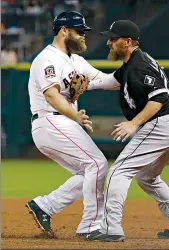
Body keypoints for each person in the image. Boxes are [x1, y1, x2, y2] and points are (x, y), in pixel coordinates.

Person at [86, 20, 169, 242]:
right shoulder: (131, 64)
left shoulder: (139, 65)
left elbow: (159, 98)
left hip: (162, 124)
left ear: (128, 42)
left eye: (113, 38)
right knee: (147, 176)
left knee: (119, 170)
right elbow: (111, 80)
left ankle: (111, 228)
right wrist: (85, 83)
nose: (108, 42)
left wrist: (133, 124)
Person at [26, 11, 119, 236]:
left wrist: (135, 73)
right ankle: (91, 226)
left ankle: (44, 206)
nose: (83, 36)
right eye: (79, 31)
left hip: (60, 124)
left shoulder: (75, 60)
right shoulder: (46, 59)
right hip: (50, 120)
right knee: (97, 164)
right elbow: (52, 96)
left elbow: (104, 80)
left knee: (88, 172)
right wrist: (74, 115)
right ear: (63, 30)